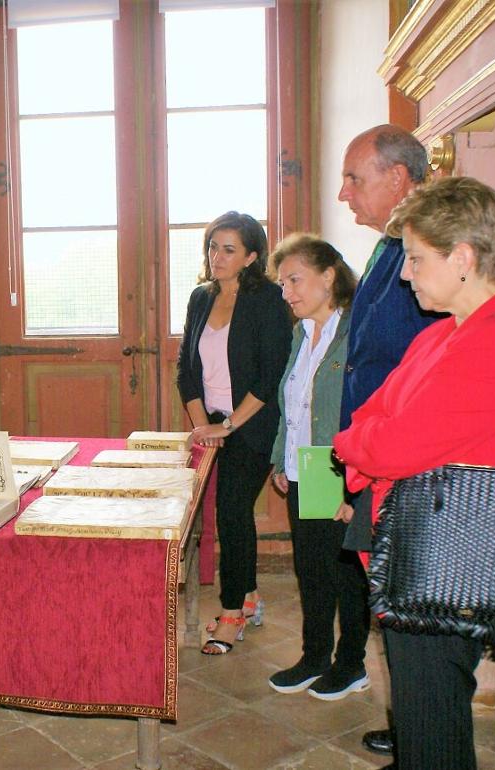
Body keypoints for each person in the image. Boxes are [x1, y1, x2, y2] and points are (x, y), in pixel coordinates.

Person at [334, 177, 495, 769]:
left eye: (415, 258)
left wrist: (355, 447)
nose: (405, 275)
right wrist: (363, 442)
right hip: (419, 542)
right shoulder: (447, 331)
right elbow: (373, 413)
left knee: (433, 715)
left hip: (447, 555)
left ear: (462, 258)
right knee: (421, 701)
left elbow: (394, 441)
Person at [337, 124, 441, 729]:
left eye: (355, 179)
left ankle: (419, 733)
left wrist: (369, 459)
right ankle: (411, 728)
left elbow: (411, 362)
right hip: (373, 457)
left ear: (398, 179)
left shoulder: (424, 248)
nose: (345, 194)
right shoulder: (388, 246)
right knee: (392, 609)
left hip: (401, 463)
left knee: (406, 611)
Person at [176, 211, 291, 655]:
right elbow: (186, 367)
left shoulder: (268, 300)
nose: (217, 256)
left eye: (228, 249)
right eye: (212, 246)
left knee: (231, 510)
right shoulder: (200, 297)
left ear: (251, 256)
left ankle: (230, 614)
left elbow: (269, 377)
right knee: (225, 514)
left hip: (254, 424)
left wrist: (226, 425)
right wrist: (202, 424)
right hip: (212, 423)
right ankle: (250, 597)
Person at [265, 235, 371, 700]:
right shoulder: (300, 333)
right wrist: (280, 459)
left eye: (294, 279)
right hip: (305, 464)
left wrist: (355, 484)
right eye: (281, 282)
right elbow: (290, 402)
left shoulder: (355, 331)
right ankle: (313, 656)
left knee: (346, 570)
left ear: (328, 276)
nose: (286, 291)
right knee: (311, 567)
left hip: (339, 466)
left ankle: (350, 664)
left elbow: (362, 406)